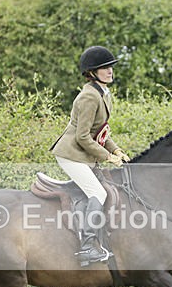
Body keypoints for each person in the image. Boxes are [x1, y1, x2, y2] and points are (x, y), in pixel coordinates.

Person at [50, 46, 130, 266]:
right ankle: (87, 246)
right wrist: (107, 157)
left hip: (83, 153)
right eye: (104, 68)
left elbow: (100, 131)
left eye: (110, 67)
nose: (109, 71)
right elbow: (83, 137)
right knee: (98, 192)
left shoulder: (103, 93)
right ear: (92, 72)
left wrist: (115, 150)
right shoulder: (88, 97)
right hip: (71, 154)